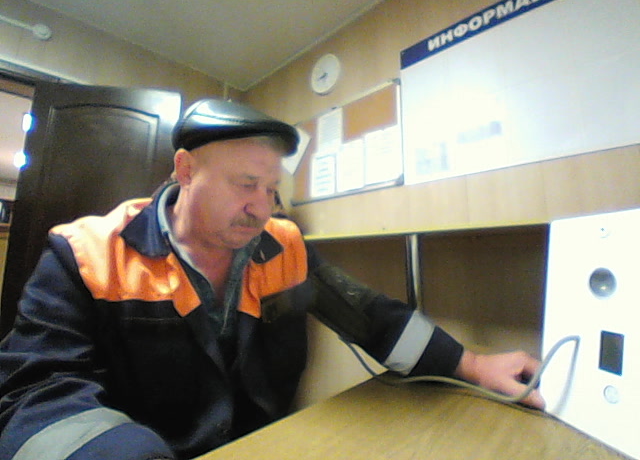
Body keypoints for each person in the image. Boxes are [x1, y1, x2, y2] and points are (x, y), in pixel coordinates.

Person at [0, 99, 544, 460]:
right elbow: (35, 391)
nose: (262, 207)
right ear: (186, 170)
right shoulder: (86, 253)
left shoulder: (281, 245)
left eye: (271, 189)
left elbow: (371, 317)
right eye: (245, 184)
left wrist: (473, 364)